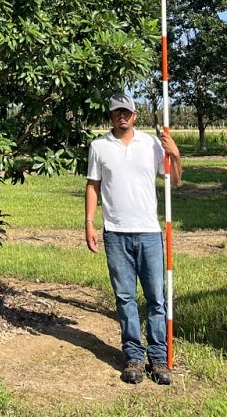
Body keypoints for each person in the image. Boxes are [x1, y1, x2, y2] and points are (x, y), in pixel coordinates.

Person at [85, 92, 182, 385]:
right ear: (111, 116)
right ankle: (134, 357)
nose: (122, 116)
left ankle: (158, 357)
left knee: (156, 298)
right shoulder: (99, 146)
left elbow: (174, 180)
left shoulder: (152, 144)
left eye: (126, 111)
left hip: (150, 233)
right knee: (125, 297)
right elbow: (93, 186)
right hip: (115, 234)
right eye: (117, 112)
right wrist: (89, 223)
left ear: (135, 115)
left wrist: (175, 153)